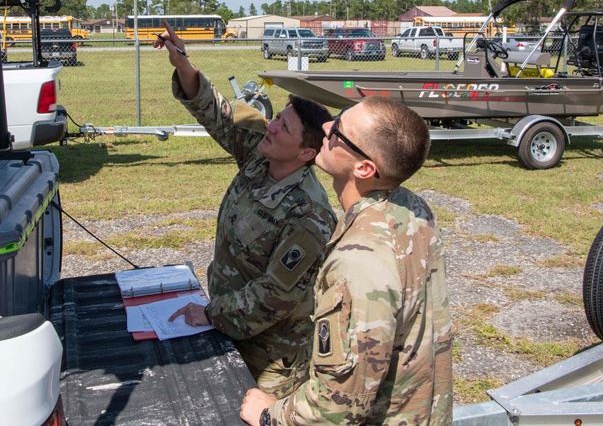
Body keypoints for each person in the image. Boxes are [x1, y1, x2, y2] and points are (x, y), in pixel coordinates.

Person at [240, 97, 452, 426]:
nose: (326, 126)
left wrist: (271, 414)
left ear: (364, 169)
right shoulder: (411, 207)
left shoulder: (358, 261)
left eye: (338, 129)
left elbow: (336, 407)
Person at [155, 22, 337, 398]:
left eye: (283, 128)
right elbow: (218, 113)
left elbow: (275, 296)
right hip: (227, 323)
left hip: (269, 357)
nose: (269, 127)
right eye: (276, 119)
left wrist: (208, 314)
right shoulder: (261, 154)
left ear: (306, 153)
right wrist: (184, 64)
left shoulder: (309, 215)